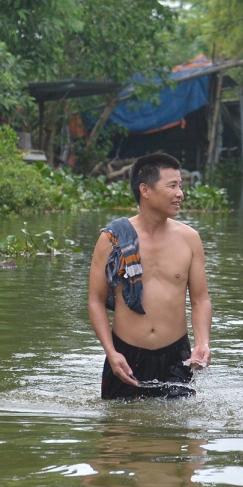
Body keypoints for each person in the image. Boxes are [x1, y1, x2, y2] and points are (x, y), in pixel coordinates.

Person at [87, 152, 212, 400]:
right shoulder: (112, 239)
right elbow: (95, 301)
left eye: (181, 186)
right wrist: (111, 352)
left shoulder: (190, 239)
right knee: (118, 432)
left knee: (180, 432)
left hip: (176, 358)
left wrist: (202, 344)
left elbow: (200, 300)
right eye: (172, 186)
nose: (181, 194)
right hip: (126, 356)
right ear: (145, 190)